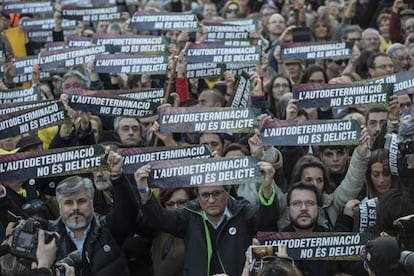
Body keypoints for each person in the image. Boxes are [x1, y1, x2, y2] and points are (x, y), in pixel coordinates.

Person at [134, 161, 279, 276]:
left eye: (216, 193)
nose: (211, 200)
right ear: (198, 196)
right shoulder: (189, 215)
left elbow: (267, 220)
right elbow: (159, 219)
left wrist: (266, 187)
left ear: (227, 192)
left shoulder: (243, 211)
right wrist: (143, 191)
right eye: (205, 195)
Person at [47, 147, 138, 275]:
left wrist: (117, 176)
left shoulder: (108, 228)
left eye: (81, 201)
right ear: (59, 206)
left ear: (92, 201)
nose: (75, 208)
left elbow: (129, 212)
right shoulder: (47, 236)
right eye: (68, 203)